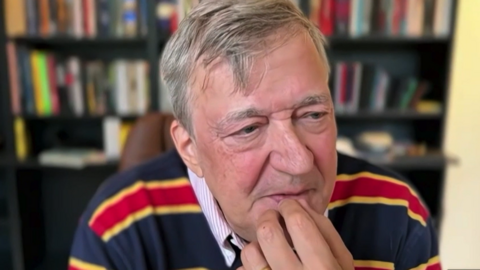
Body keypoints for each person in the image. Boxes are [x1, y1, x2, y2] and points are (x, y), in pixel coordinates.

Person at [68, 0, 441, 269]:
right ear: (189, 147)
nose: (298, 162)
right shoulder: (119, 226)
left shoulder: (399, 212)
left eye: (312, 114)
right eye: (247, 128)